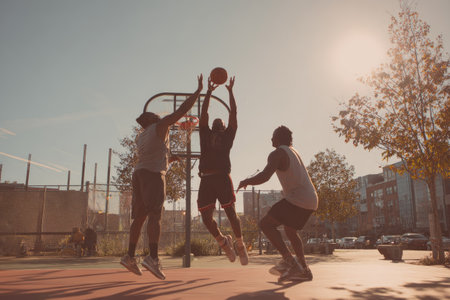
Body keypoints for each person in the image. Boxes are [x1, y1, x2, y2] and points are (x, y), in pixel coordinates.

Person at [120, 75, 203, 279]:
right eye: (156, 116)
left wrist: (170, 158)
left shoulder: (142, 136)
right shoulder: (160, 126)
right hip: (153, 176)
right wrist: (198, 91)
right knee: (155, 216)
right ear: (152, 120)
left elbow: (154, 155)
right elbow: (182, 111)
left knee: (139, 218)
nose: (160, 116)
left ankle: (129, 256)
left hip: (139, 174)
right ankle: (153, 258)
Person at [237, 126, 318, 282]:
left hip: (298, 199)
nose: (271, 139)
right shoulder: (294, 151)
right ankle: (304, 269)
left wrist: (246, 181)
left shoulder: (277, 153)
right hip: (311, 199)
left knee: (266, 224)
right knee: (290, 230)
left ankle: (290, 262)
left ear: (279, 138)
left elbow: (265, 176)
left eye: (273, 136)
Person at [197, 76, 248, 265]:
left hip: (222, 178)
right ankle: (223, 241)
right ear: (212, 126)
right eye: (215, 122)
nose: (219, 123)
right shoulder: (205, 134)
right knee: (205, 217)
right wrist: (208, 92)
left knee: (232, 214)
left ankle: (240, 244)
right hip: (207, 179)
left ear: (225, 127)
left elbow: (234, 113)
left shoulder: (228, 137)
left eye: (222, 122)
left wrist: (231, 92)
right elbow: (204, 113)